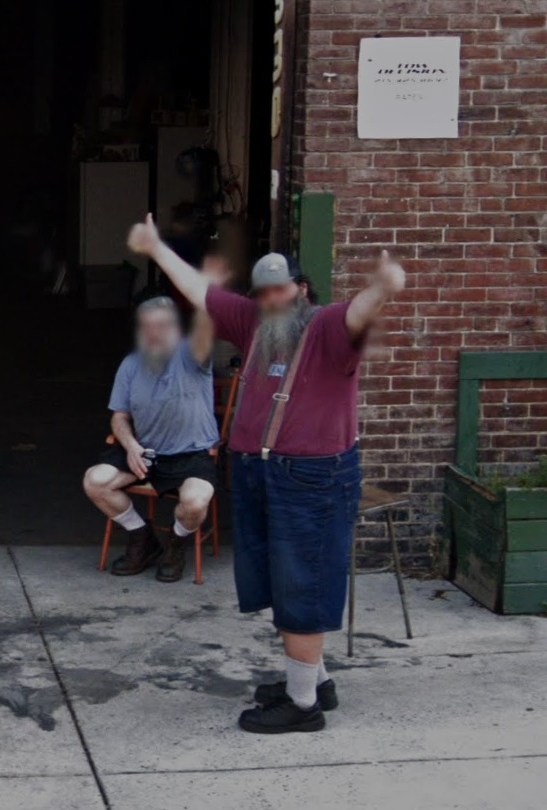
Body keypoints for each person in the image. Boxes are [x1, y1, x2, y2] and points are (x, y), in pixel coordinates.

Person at [128, 213, 405, 734]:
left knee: (303, 582)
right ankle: (315, 681)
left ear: (302, 289)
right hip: (262, 471)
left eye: (282, 290)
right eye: (264, 293)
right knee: (281, 579)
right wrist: (157, 248)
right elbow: (201, 291)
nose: (273, 300)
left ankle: (302, 707)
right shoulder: (253, 323)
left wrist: (383, 288)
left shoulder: (328, 327)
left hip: (311, 478)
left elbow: (360, 311)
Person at [83, 296, 218, 582]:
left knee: (195, 502)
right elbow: (119, 417)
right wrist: (132, 446)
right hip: (145, 452)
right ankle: (142, 536)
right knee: (95, 481)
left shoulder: (193, 354)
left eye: (162, 325)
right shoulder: (130, 364)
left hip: (191, 454)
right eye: (147, 326)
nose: (154, 332)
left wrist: (203, 293)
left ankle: (176, 544)